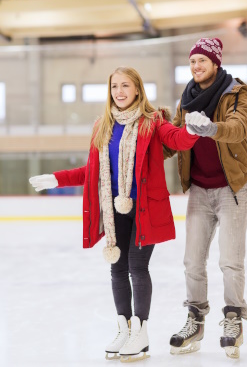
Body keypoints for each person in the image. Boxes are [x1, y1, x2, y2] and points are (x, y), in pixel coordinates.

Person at [29, 66, 199, 363]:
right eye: (114, 87)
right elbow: (92, 172)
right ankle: (124, 327)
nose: (119, 92)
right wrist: (58, 178)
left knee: (137, 266)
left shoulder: (152, 121)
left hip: (145, 209)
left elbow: (177, 140)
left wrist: (193, 130)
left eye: (125, 86)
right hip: (114, 209)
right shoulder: (103, 127)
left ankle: (141, 333)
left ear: (137, 89)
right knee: (117, 268)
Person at [167, 38, 247, 359]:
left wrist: (212, 128)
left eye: (202, 61)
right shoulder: (186, 99)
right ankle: (195, 318)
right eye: (193, 62)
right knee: (192, 261)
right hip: (200, 190)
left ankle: (233, 318)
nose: (196, 67)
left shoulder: (235, 92)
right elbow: (175, 138)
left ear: (215, 63)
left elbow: (238, 128)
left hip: (231, 189)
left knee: (230, 261)